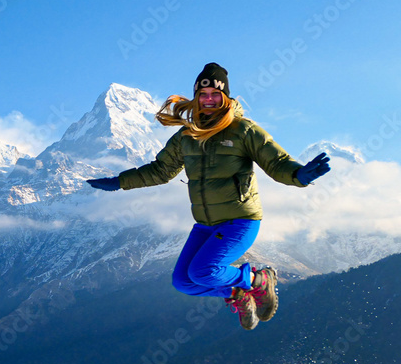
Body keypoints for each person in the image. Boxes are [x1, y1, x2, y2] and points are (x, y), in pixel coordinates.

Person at [86, 63, 330, 330]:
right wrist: (120, 181)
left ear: (225, 97)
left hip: (240, 220)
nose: (209, 99)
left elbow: (277, 161)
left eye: (215, 94)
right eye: (203, 95)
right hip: (205, 224)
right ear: (196, 98)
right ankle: (238, 294)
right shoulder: (186, 136)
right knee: (183, 282)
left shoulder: (243, 130)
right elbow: (160, 170)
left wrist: (297, 175)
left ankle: (260, 280)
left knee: (203, 271)